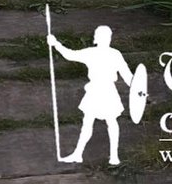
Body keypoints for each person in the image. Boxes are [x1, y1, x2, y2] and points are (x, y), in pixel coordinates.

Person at [48, 26, 135, 166]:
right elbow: (70, 55)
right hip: (95, 90)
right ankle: (78, 153)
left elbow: (127, 75)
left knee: (111, 121)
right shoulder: (91, 53)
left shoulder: (115, 54)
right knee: (88, 122)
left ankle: (114, 155)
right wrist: (56, 44)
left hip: (107, 90)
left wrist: (138, 88)